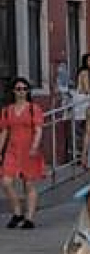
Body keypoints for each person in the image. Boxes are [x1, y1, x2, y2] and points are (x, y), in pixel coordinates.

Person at [1, 77, 46, 228]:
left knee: (29, 184)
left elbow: (38, 129)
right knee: (6, 182)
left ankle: (29, 218)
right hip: (12, 150)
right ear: (13, 91)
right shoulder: (7, 111)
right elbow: (4, 131)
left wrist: (35, 146)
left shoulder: (34, 108)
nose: (22, 92)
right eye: (18, 89)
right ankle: (17, 212)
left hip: (29, 149)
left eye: (25, 89)